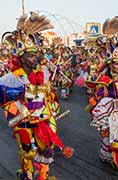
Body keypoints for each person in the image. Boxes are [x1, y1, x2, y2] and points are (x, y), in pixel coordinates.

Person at [0, 12, 73, 180]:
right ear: (21, 58)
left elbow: (50, 95)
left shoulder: (44, 73)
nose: (34, 59)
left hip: (43, 117)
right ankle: (27, 173)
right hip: (23, 119)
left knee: (46, 147)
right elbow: (3, 99)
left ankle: (43, 175)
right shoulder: (12, 77)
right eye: (30, 56)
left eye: (35, 55)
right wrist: (19, 103)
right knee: (27, 150)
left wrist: (53, 105)